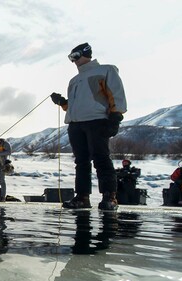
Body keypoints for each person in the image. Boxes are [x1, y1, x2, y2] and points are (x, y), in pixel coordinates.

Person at [50, 42, 127, 211]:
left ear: (86, 53)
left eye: (75, 56)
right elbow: (78, 104)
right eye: (71, 58)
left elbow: (116, 93)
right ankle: (82, 197)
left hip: (97, 121)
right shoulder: (74, 80)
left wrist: (115, 117)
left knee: (101, 157)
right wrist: (63, 103)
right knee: (81, 162)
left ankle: (110, 196)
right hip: (76, 124)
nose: (73, 61)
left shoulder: (106, 70)